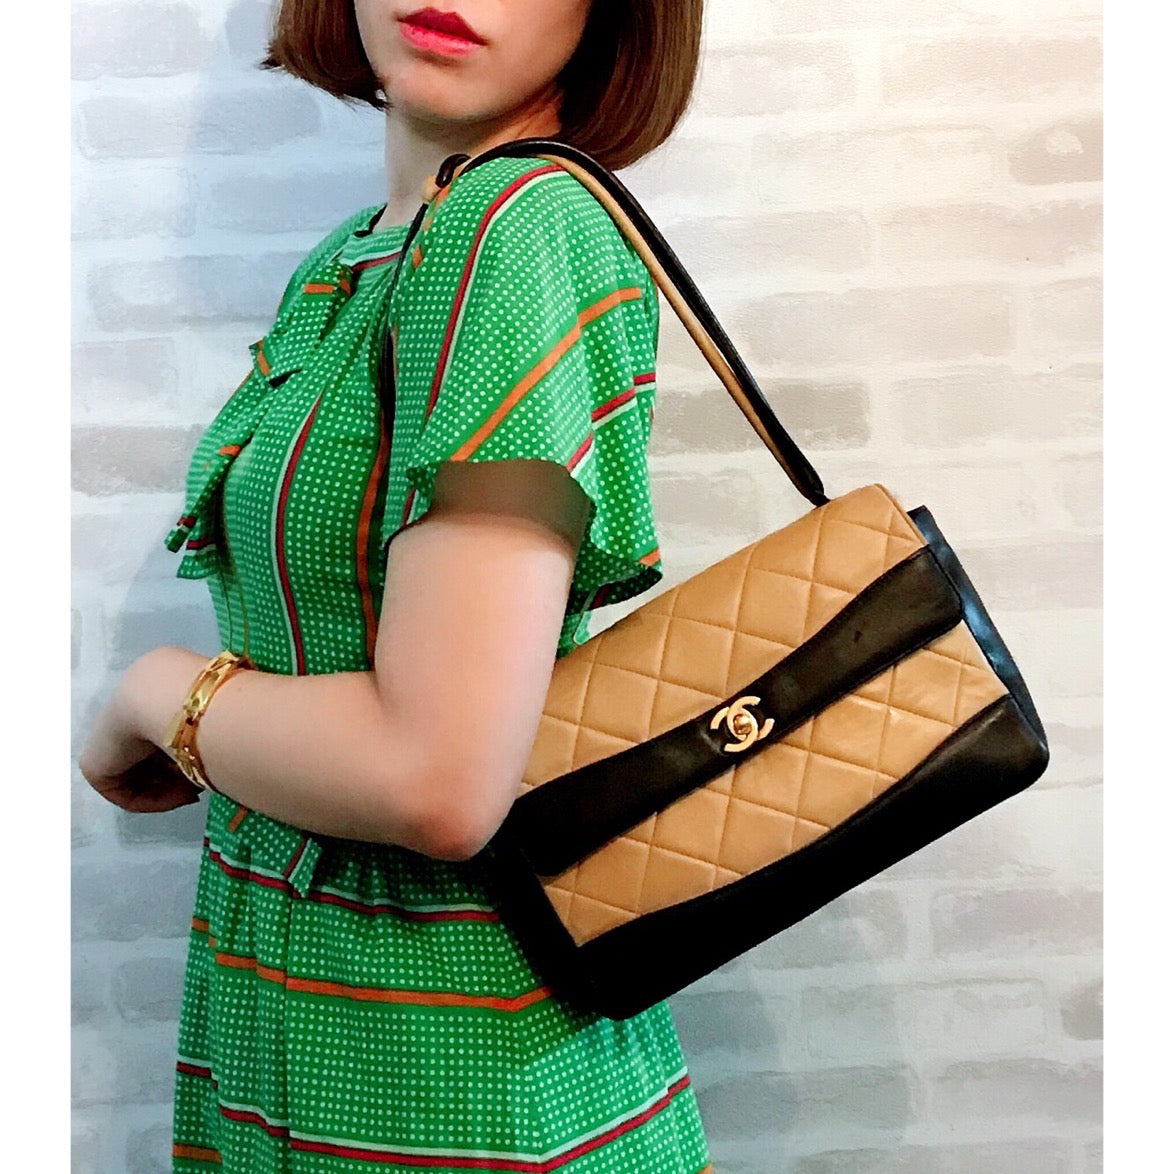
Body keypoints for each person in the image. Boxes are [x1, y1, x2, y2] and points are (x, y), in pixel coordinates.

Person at [79, 0, 716, 1170]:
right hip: (304, 998)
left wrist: (157, 694)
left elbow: (437, 778)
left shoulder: (514, 226)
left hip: (440, 1061)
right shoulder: (364, 251)